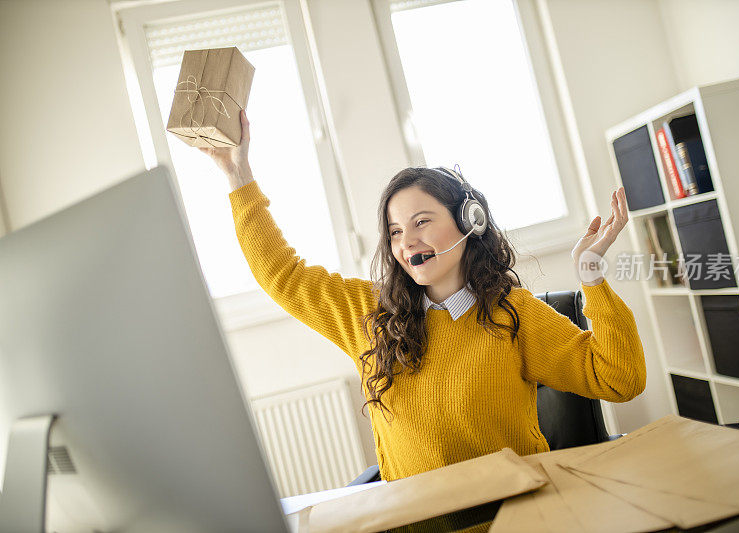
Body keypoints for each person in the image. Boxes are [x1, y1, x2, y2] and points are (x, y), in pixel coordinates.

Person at [199, 109, 646, 483]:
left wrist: (592, 277)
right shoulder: (367, 312)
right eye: (395, 231)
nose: (407, 241)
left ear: (470, 221)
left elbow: (619, 378)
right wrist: (238, 174)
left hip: (515, 518)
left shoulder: (514, 314)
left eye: (422, 222)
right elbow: (281, 273)